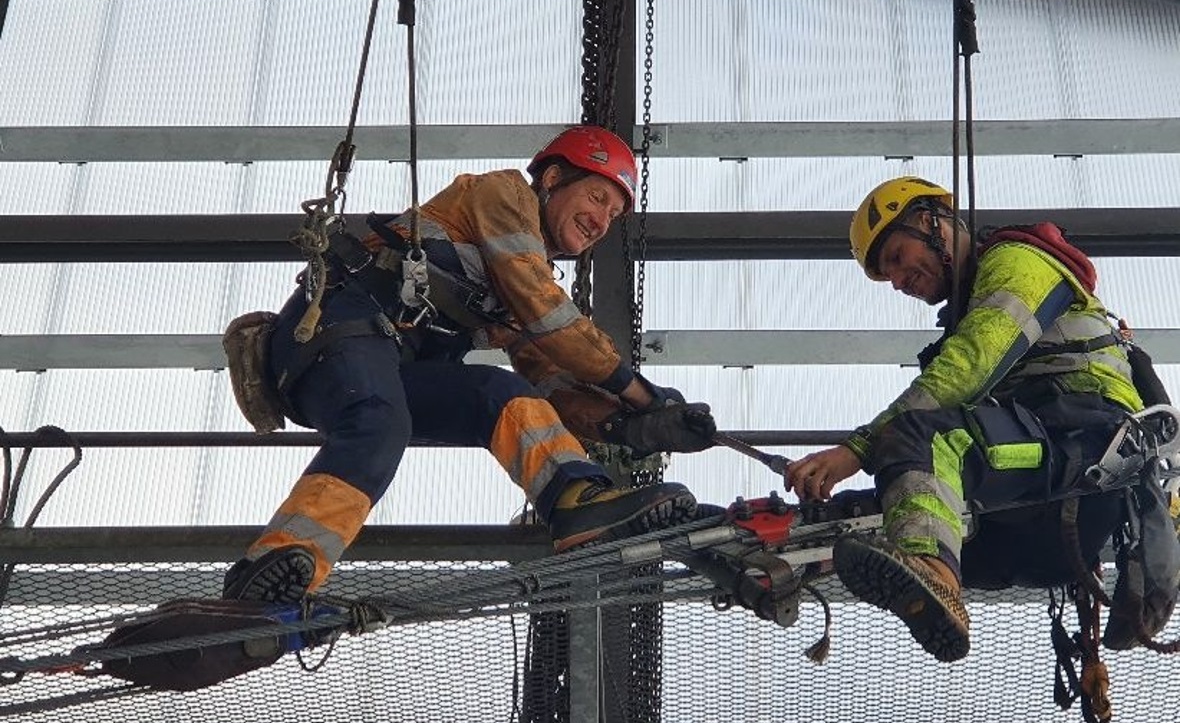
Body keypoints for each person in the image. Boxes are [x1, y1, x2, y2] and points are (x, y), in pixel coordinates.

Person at [223, 125, 715, 604]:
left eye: (613, 214)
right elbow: (551, 317)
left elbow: (552, 379)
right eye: (596, 197)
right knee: (378, 423)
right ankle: (275, 568)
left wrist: (634, 428)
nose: (601, 221)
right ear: (551, 180)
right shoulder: (502, 196)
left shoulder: (520, 277)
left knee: (502, 397)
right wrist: (642, 394)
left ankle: (575, 501)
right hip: (334, 332)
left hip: (388, 365)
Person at [785, 175, 1177, 662]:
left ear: (933, 222)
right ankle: (797, 562)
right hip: (1035, 520)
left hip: (1081, 448)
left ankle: (937, 580)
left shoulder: (1017, 263)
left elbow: (973, 362)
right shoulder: (967, 309)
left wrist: (857, 449)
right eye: (889, 277)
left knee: (918, 438)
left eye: (898, 258)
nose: (899, 281)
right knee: (897, 500)